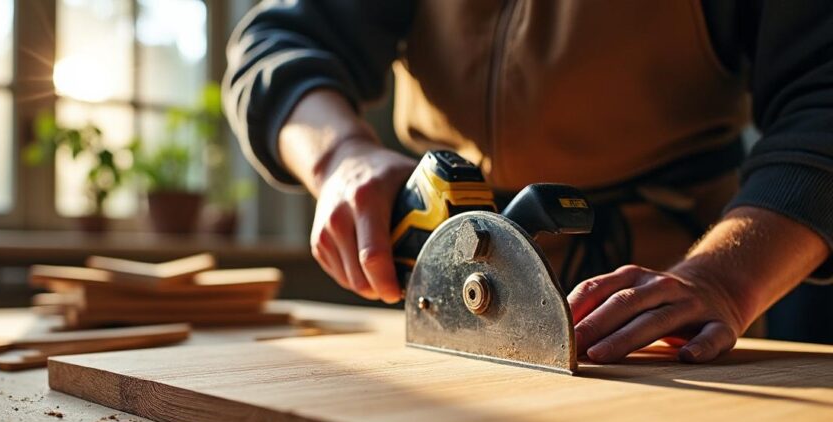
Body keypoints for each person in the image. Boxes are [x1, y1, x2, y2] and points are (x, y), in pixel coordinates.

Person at [222, 0, 833, 363]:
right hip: (444, 297)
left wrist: (723, 279)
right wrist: (341, 157)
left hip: (662, 312)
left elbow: (822, 98)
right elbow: (278, 41)